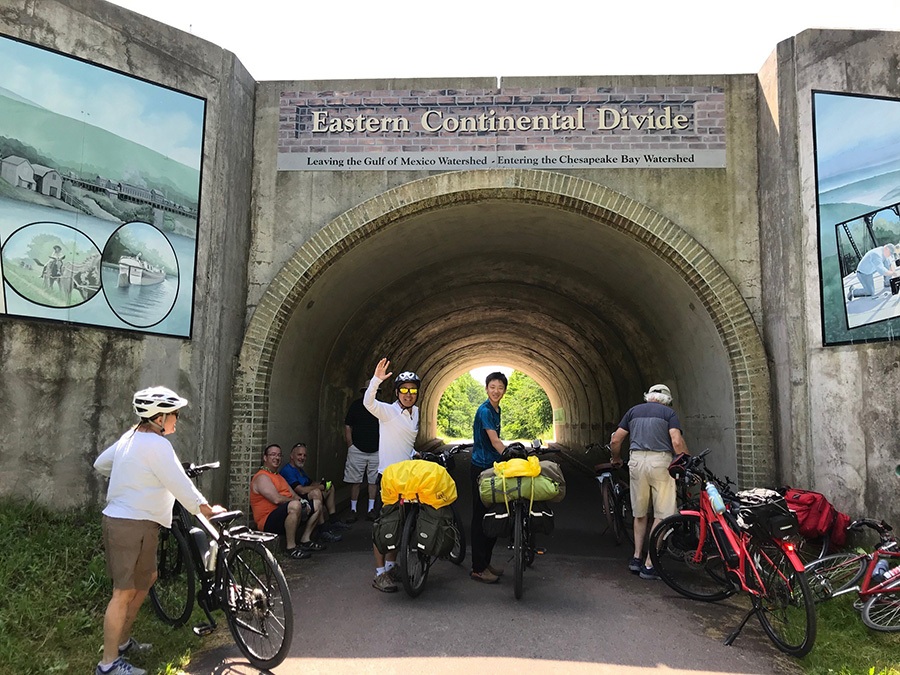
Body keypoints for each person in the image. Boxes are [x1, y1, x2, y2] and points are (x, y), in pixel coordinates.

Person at [93, 386, 227, 675]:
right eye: (175, 414)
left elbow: (101, 463)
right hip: (128, 524)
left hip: (142, 523)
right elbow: (180, 484)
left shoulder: (131, 438)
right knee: (122, 592)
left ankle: (123, 642)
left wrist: (130, 473)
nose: (177, 419)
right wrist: (206, 509)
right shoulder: (156, 445)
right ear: (160, 416)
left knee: (147, 579)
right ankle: (107, 665)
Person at [610, 383, 689, 580]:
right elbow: (676, 441)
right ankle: (649, 564)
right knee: (663, 513)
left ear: (648, 396)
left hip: (636, 461)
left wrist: (616, 458)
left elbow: (616, 440)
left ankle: (636, 557)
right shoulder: (668, 414)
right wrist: (685, 461)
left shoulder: (633, 412)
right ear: (667, 400)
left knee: (639, 511)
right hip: (660, 462)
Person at [364, 358, 420, 592]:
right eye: (404, 390)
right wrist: (376, 380)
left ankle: (391, 565)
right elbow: (368, 402)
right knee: (383, 526)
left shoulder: (415, 412)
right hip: (388, 477)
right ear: (397, 392)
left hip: (408, 477)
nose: (408, 394)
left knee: (402, 525)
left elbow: (406, 441)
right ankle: (379, 574)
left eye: (412, 390)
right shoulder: (387, 411)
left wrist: (416, 454)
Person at [469, 372, 509, 584]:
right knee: (480, 518)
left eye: (500, 387)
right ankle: (477, 568)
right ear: (486, 389)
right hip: (481, 468)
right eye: (492, 387)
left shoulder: (496, 409)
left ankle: (485, 562)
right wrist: (510, 455)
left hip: (492, 467)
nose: (496, 391)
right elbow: (494, 441)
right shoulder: (485, 410)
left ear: (504, 390)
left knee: (494, 516)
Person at [249, 443, 323, 557]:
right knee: (295, 505)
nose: (277, 458)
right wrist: (298, 503)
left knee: (317, 504)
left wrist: (304, 503)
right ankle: (291, 548)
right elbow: (276, 499)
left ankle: (305, 539)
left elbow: (294, 495)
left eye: (279, 455)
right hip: (268, 521)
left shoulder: (279, 476)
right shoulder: (262, 477)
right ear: (265, 458)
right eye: (273, 455)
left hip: (286, 514)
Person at [280, 442, 347, 541]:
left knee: (330, 487)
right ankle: (322, 529)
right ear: (291, 456)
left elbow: (311, 483)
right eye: (299, 455)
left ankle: (333, 520)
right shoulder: (288, 470)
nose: (302, 457)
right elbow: (301, 490)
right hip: (297, 500)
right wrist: (319, 487)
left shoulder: (300, 470)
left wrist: (323, 484)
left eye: (304, 455)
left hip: (307, 496)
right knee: (317, 492)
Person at [342, 379, 381, 522]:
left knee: (373, 481)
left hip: (376, 450)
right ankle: (353, 509)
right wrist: (350, 445)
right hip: (357, 449)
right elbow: (348, 425)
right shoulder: (356, 406)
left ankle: (371, 509)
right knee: (355, 481)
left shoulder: (380, 407)